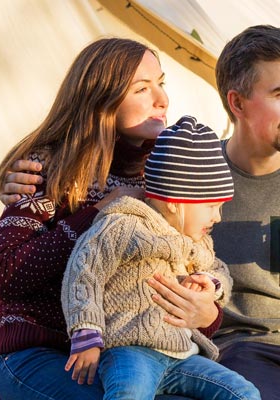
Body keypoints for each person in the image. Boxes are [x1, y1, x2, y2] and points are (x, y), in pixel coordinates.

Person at [2, 26, 280, 399]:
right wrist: (56, 197)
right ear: (237, 102)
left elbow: (192, 281)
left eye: (161, 84)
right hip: (87, 347)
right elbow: (17, 269)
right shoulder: (175, 176)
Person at [0, 38, 224, 400]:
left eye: (161, 83)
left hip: (130, 354)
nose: (162, 99)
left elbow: (191, 264)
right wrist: (99, 213)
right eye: (142, 89)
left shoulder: (166, 173)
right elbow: (7, 275)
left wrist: (207, 313)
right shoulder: (46, 170)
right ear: (102, 98)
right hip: (38, 351)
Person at [61, 116, 258, 399]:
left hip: (183, 356)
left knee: (243, 392)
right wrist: (86, 333)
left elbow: (219, 269)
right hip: (130, 351)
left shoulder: (198, 240)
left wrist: (211, 283)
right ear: (178, 202)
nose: (217, 216)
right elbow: (83, 272)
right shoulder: (124, 225)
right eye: (212, 206)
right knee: (129, 393)